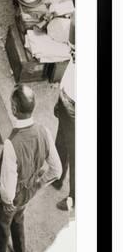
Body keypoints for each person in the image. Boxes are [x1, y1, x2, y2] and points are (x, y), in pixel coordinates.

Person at [0, 84, 62, 252]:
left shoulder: (11, 143)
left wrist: (7, 200)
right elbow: (57, 170)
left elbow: (7, 184)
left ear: (14, 109)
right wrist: (37, 185)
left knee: (0, 224)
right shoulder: (44, 131)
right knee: (18, 218)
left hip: (12, 195)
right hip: (28, 189)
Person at [52, 12, 75, 211]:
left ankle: (74, 197)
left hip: (77, 111)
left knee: (76, 154)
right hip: (67, 103)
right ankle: (58, 176)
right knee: (61, 141)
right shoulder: (75, 58)